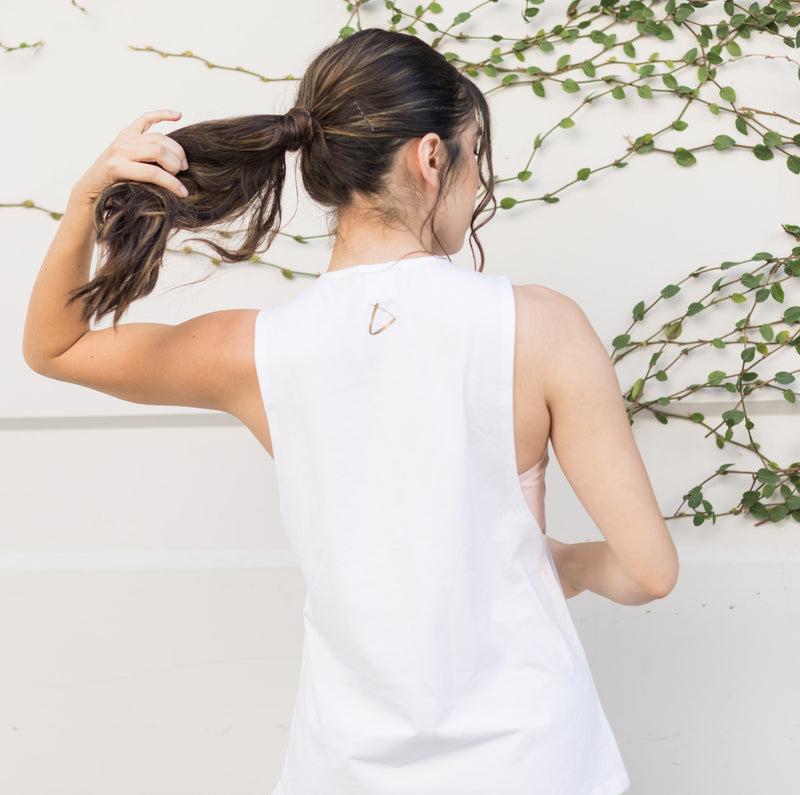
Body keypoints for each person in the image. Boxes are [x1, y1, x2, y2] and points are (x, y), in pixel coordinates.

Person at [23, 27, 678, 795]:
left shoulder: (253, 350)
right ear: (431, 157)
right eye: (474, 155)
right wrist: (566, 563)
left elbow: (54, 347)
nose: (477, 183)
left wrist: (87, 199)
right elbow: (649, 570)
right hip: (533, 763)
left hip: (344, 769)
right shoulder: (542, 328)